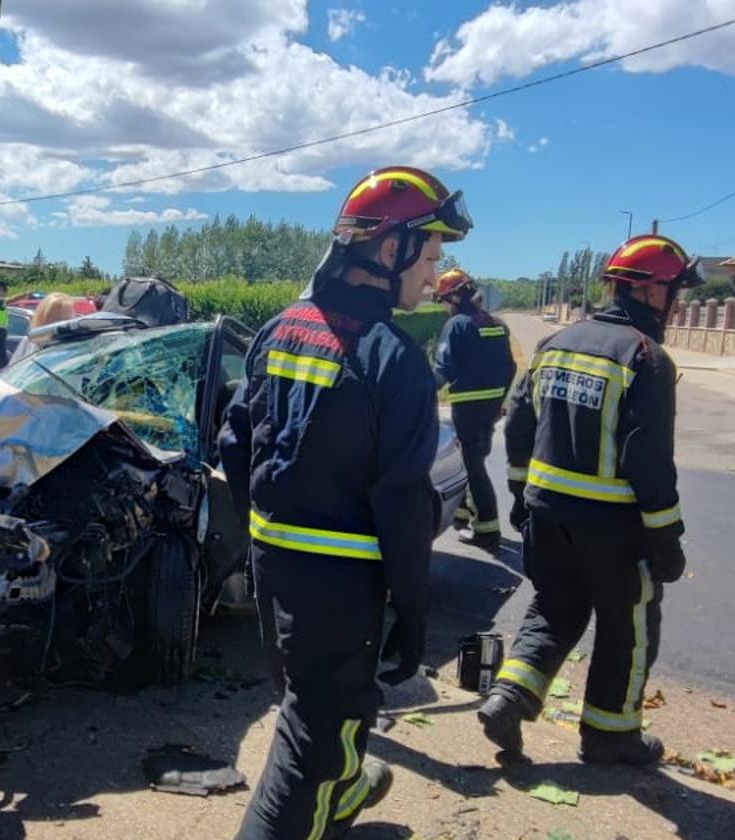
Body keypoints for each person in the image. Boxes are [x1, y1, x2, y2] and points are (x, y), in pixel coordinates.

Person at [220, 165, 472, 839]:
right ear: (390, 249)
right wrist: (412, 610)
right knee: (313, 741)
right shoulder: (394, 359)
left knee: (319, 717)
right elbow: (405, 506)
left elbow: (234, 445)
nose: (435, 272)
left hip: (277, 574)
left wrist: (266, 533)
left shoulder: (279, 329)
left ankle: (339, 807)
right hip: (341, 590)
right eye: (432, 253)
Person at [481, 234, 702, 765]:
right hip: (615, 529)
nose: (677, 303)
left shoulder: (554, 344)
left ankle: (508, 696)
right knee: (628, 627)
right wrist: (667, 539)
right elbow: (648, 464)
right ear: (650, 291)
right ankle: (611, 735)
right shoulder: (647, 357)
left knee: (555, 608)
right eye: (674, 290)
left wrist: (519, 493)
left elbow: (518, 425)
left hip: (547, 516)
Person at [432, 268, 516, 551]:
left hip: (467, 407)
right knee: (474, 460)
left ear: (454, 297)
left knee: (473, 467)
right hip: (491, 408)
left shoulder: (456, 325)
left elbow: (443, 368)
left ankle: (487, 530)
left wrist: (416, 392)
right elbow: (511, 367)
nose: (444, 306)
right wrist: (499, 401)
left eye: (444, 299)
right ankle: (462, 513)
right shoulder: (496, 323)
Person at [9, 292, 77, 364]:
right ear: (42, 318)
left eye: (66, 320)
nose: (61, 325)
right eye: (57, 319)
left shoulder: (75, 346)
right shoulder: (29, 342)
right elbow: (13, 370)